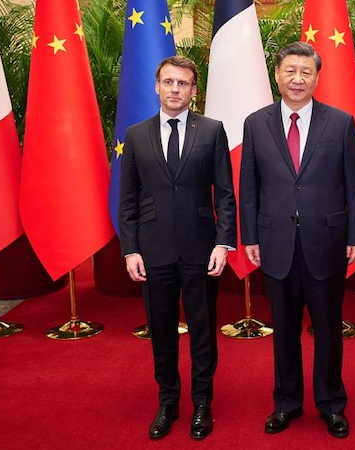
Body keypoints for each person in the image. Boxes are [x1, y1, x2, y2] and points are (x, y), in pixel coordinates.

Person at [239, 41, 355, 439]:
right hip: (275, 243)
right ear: (277, 75)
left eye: (306, 72)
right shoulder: (255, 122)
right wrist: (250, 236)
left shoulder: (341, 122)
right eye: (290, 71)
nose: (297, 79)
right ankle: (286, 403)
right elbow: (249, 185)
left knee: (328, 329)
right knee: (285, 329)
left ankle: (331, 403)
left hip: (326, 242)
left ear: (317, 77)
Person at [119, 55, 236, 441]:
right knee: (162, 331)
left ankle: (203, 402)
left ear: (193, 90)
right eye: (168, 82)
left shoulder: (212, 131)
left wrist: (223, 241)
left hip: (202, 250)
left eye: (183, 83)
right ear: (157, 86)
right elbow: (128, 199)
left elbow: (225, 194)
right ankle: (168, 401)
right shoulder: (136, 135)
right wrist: (130, 249)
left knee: (203, 331)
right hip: (152, 253)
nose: (175, 89)